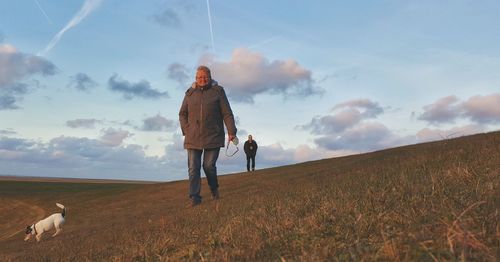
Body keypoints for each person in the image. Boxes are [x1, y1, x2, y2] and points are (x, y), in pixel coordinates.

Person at [179, 65, 237, 207]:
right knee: (193, 168)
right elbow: (182, 113)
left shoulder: (218, 91)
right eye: (199, 77)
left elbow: (227, 113)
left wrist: (231, 131)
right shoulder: (189, 94)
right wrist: (186, 129)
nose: (202, 80)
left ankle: (214, 189)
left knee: (208, 166)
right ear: (195, 78)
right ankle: (195, 198)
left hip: (213, 135)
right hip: (193, 137)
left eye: (205, 77)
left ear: (210, 77)